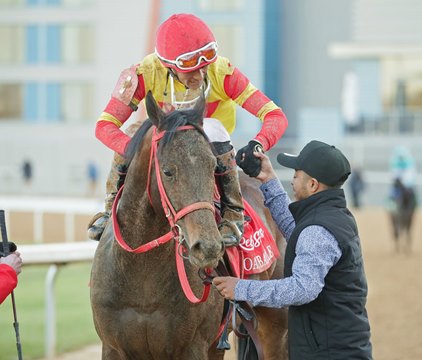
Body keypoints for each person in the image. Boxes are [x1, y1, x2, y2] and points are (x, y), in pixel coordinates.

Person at [87, 13, 288, 245]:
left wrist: (259, 143)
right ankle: (110, 208)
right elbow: (105, 125)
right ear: (168, 66)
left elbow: (275, 115)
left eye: (205, 67)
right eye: (191, 70)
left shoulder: (222, 72)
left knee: (213, 128)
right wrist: (132, 148)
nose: (200, 75)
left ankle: (233, 215)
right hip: (164, 141)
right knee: (134, 132)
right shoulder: (144, 74)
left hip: (208, 143)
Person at [213, 140, 372, 359]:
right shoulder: (333, 216)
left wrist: (241, 288)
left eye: (297, 175)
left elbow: (301, 289)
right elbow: (295, 230)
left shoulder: (317, 230)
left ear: (313, 185)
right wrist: (267, 179)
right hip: (335, 345)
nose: (293, 179)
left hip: (326, 353)